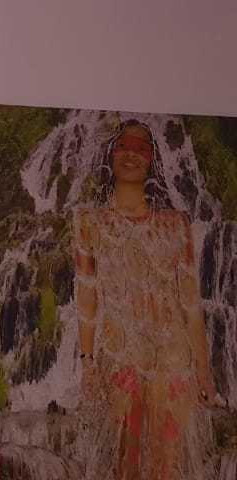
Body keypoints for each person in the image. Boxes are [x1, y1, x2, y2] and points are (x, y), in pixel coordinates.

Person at [73, 120, 219, 478]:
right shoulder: (89, 222)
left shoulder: (176, 224)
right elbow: (86, 296)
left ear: (153, 159)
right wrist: (88, 363)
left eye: (141, 149)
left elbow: (190, 304)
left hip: (173, 360)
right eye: (124, 146)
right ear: (111, 154)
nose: (132, 155)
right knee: (125, 462)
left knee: (168, 464)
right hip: (120, 355)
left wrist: (203, 371)